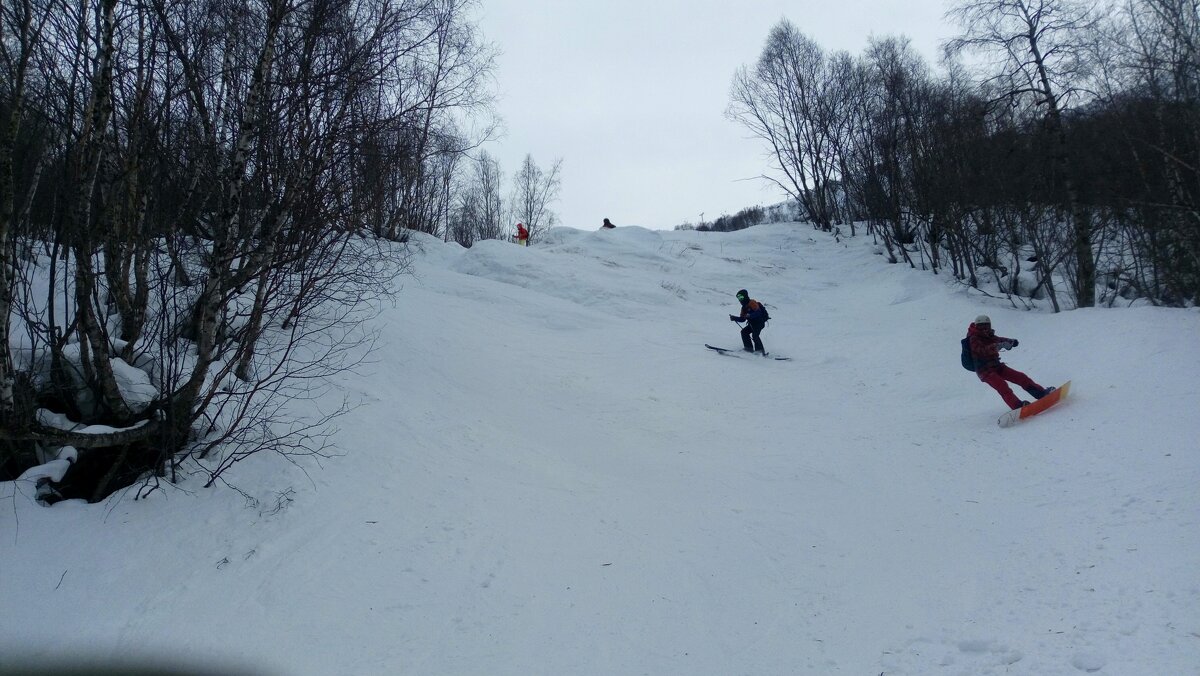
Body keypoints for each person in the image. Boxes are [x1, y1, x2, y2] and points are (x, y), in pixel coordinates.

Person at [967, 314, 1054, 409]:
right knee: (1002, 386)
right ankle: (1018, 406)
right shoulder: (973, 338)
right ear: (977, 326)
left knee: (1021, 377)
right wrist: (997, 346)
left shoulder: (988, 336)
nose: (984, 328)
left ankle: (1041, 394)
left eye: (986, 325)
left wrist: (1010, 341)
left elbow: (999, 339)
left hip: (997, 366)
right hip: (984, 371)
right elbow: (981, 350)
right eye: (981, 326)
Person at [729, 289, 769, 354]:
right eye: (738, 298)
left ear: (745, 296)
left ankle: (760, 352)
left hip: (759, 323)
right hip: (752, 324)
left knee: (755, 335)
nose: (740, 299)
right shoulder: (743, 308)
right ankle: (748, 349)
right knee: (744, 332)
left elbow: (758, 312)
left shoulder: (752, 302)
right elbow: (743, 319)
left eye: (741, 297)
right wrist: (734, 318)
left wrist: (750, 315)